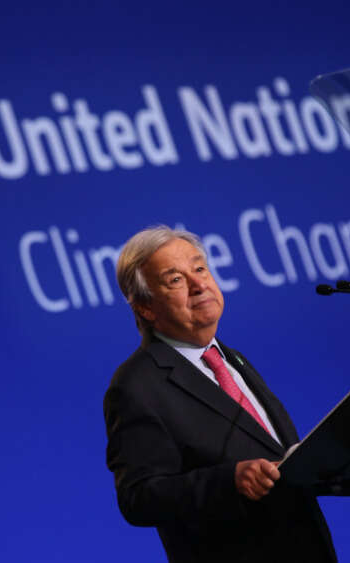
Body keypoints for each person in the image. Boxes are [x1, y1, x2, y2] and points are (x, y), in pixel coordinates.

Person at [103, 226, 336, 562]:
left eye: (199, 269)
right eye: (175, 280)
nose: (199, 285)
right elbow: (138, 497)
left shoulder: (232, 359)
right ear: (146, 308)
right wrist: (229, 481)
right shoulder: (136, 385)